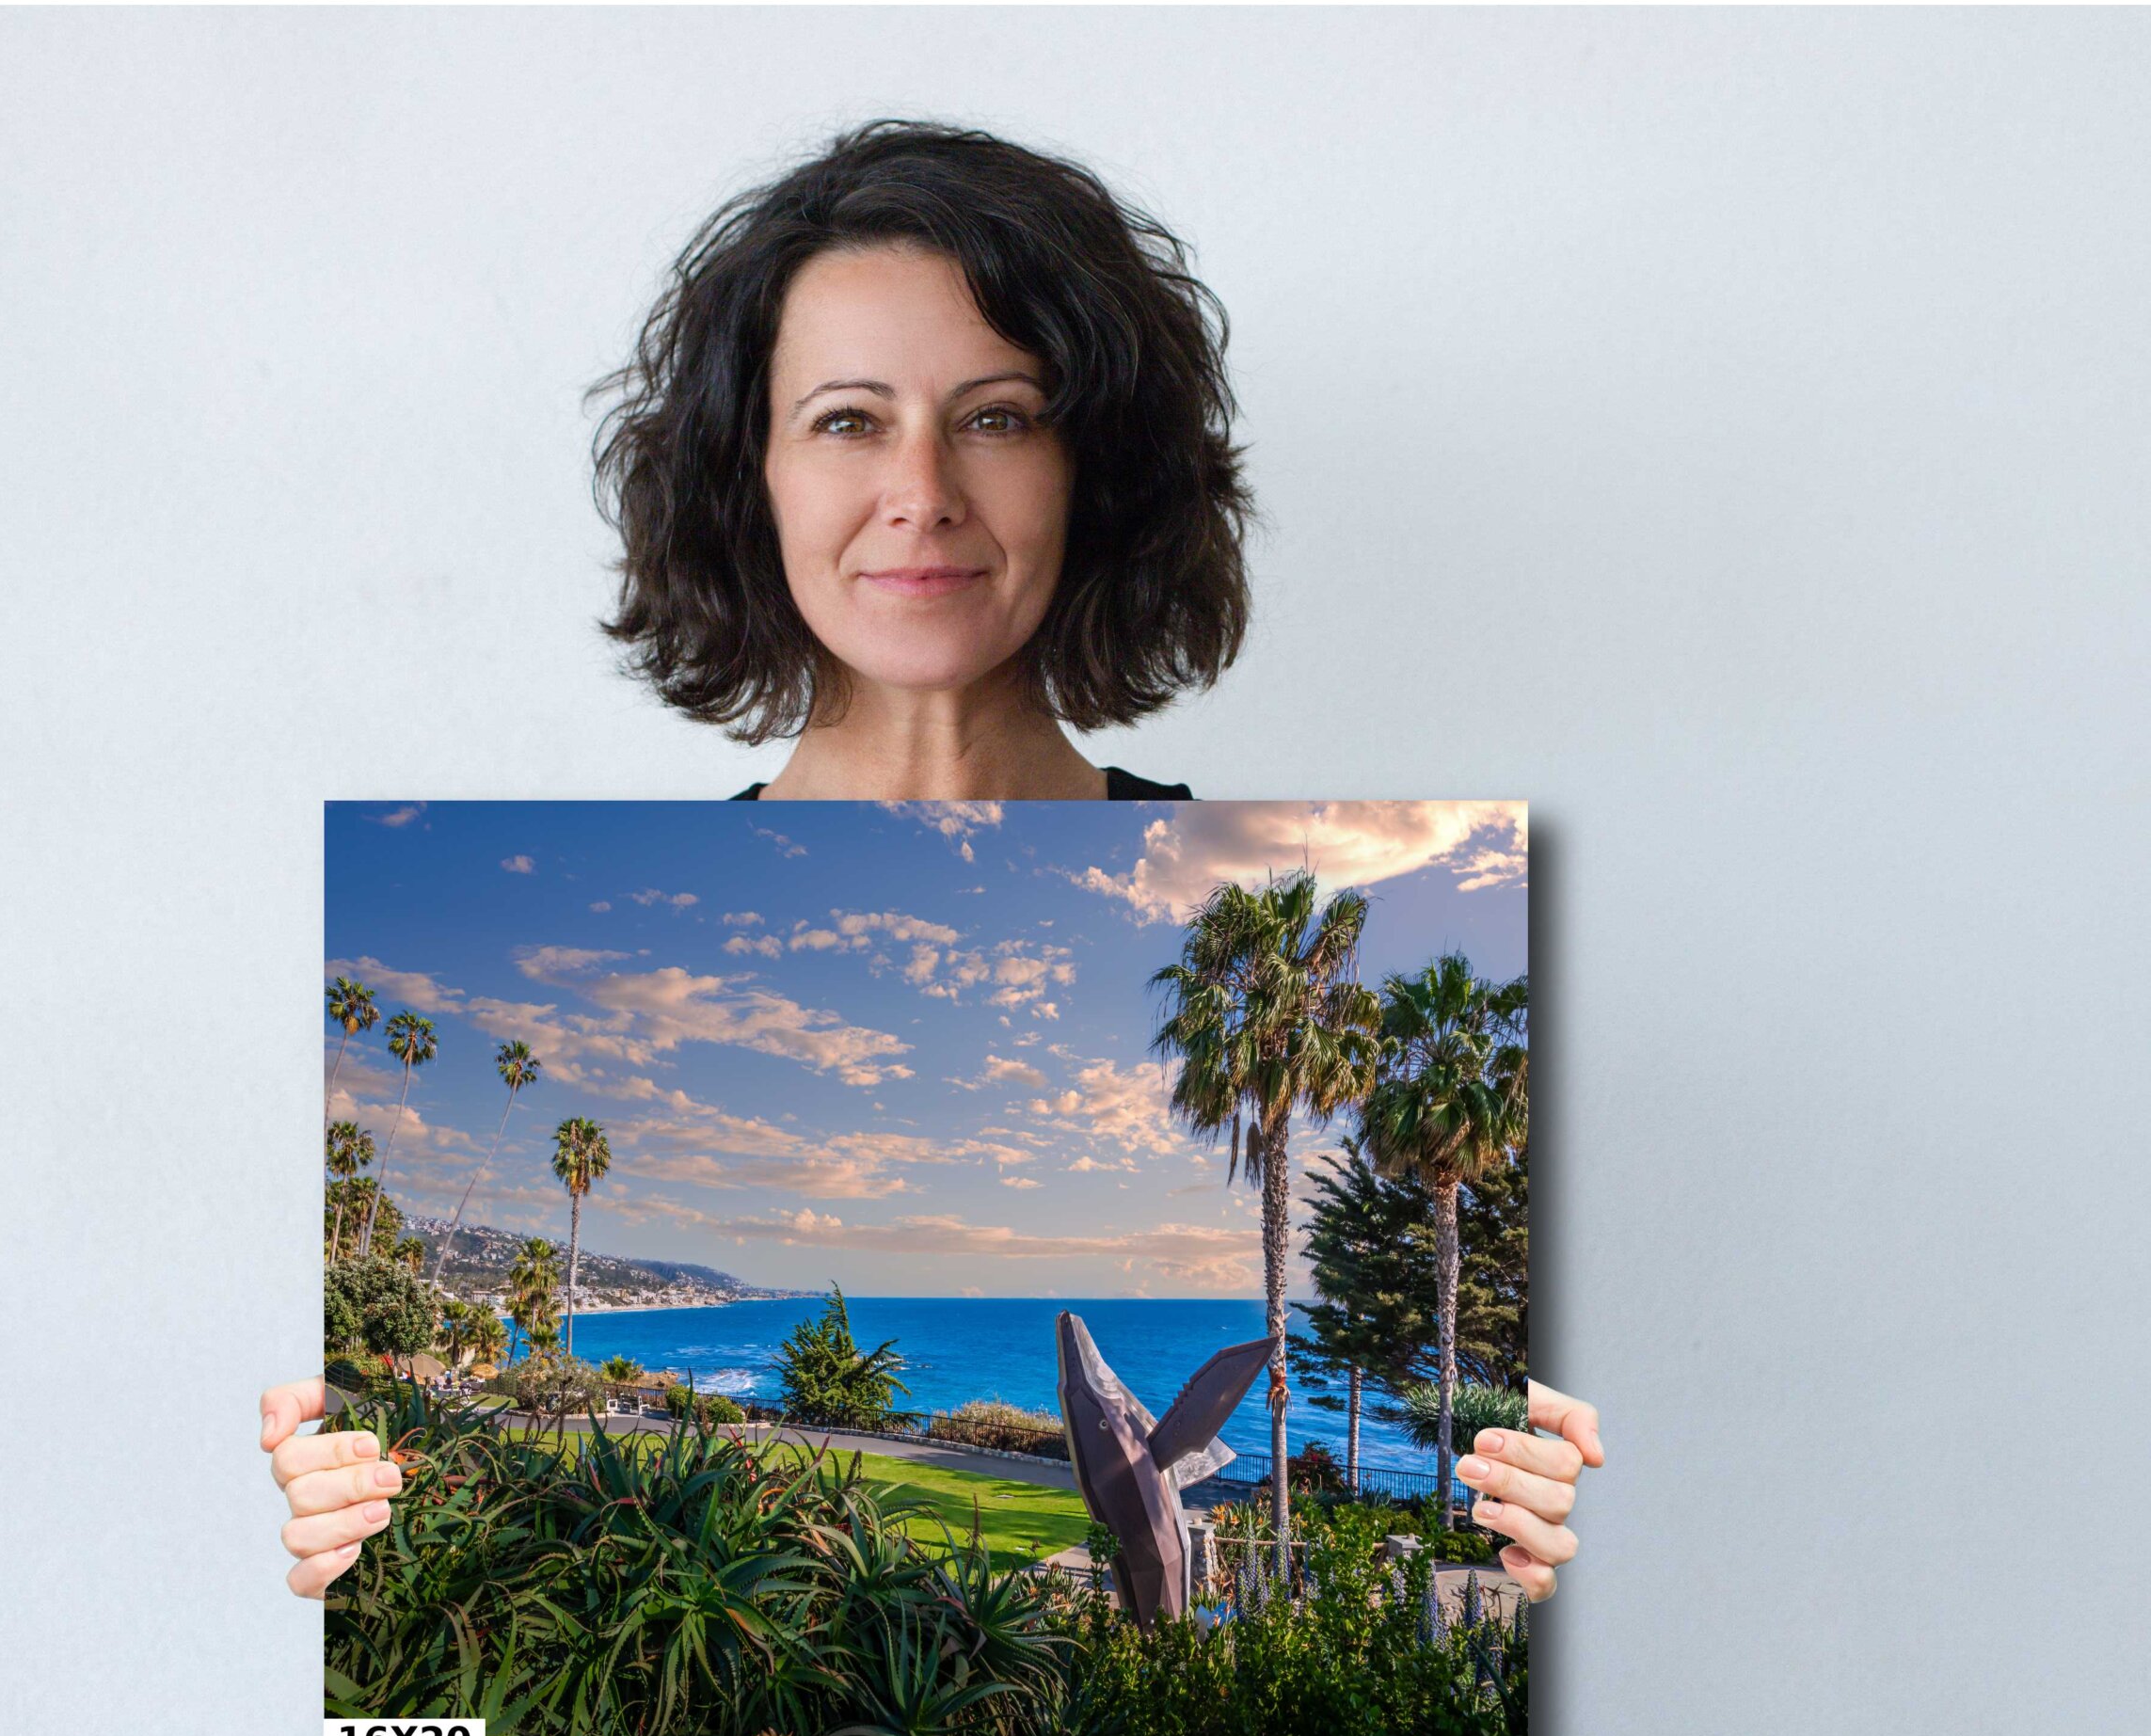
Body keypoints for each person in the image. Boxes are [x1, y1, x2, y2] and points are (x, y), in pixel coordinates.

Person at [270, 118, 1602, 1601]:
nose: (923, 491)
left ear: (1094, 470)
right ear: (753, 477)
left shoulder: (1292, 891)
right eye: (849, 419)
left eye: (999, 416)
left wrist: (1519, 1524)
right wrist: (358, 1546)